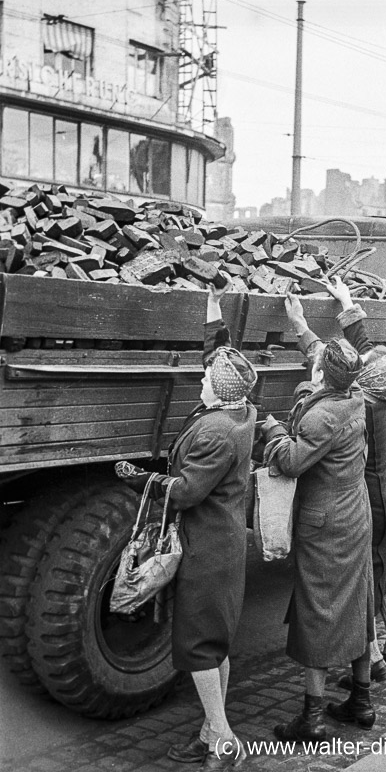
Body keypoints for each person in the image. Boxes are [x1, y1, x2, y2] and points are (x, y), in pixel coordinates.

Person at [116, 280, 257, 772]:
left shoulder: (217, 432)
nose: (200, 382)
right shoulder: (239, 409)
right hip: (222, 544)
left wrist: (145, 480)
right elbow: (222, 361)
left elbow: (189, 491)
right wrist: (215, 307)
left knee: (197, 646)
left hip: (207, 551)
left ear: (218, 392)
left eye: (206, 380)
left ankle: (221, 736)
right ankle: (207, 731)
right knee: (214, 641)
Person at [260, 303, 376, 740]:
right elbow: (328, 361)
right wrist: (302, 327)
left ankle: (310, 720)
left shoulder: (320, 416)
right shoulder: (355, 396)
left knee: (318, 613)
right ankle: (361, 702)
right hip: (355, 517)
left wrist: (272, 429)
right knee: (357, 604)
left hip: (324, 526)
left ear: (322, 378)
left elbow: (290, 462)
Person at [323, 277, 386, 689]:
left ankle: (375, 656)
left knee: (365, 575)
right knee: (379, 564)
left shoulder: (359, 406)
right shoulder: (382, 391)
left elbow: (346, 371)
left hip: (373, 501)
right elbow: (366, 351)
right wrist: (346, 301)